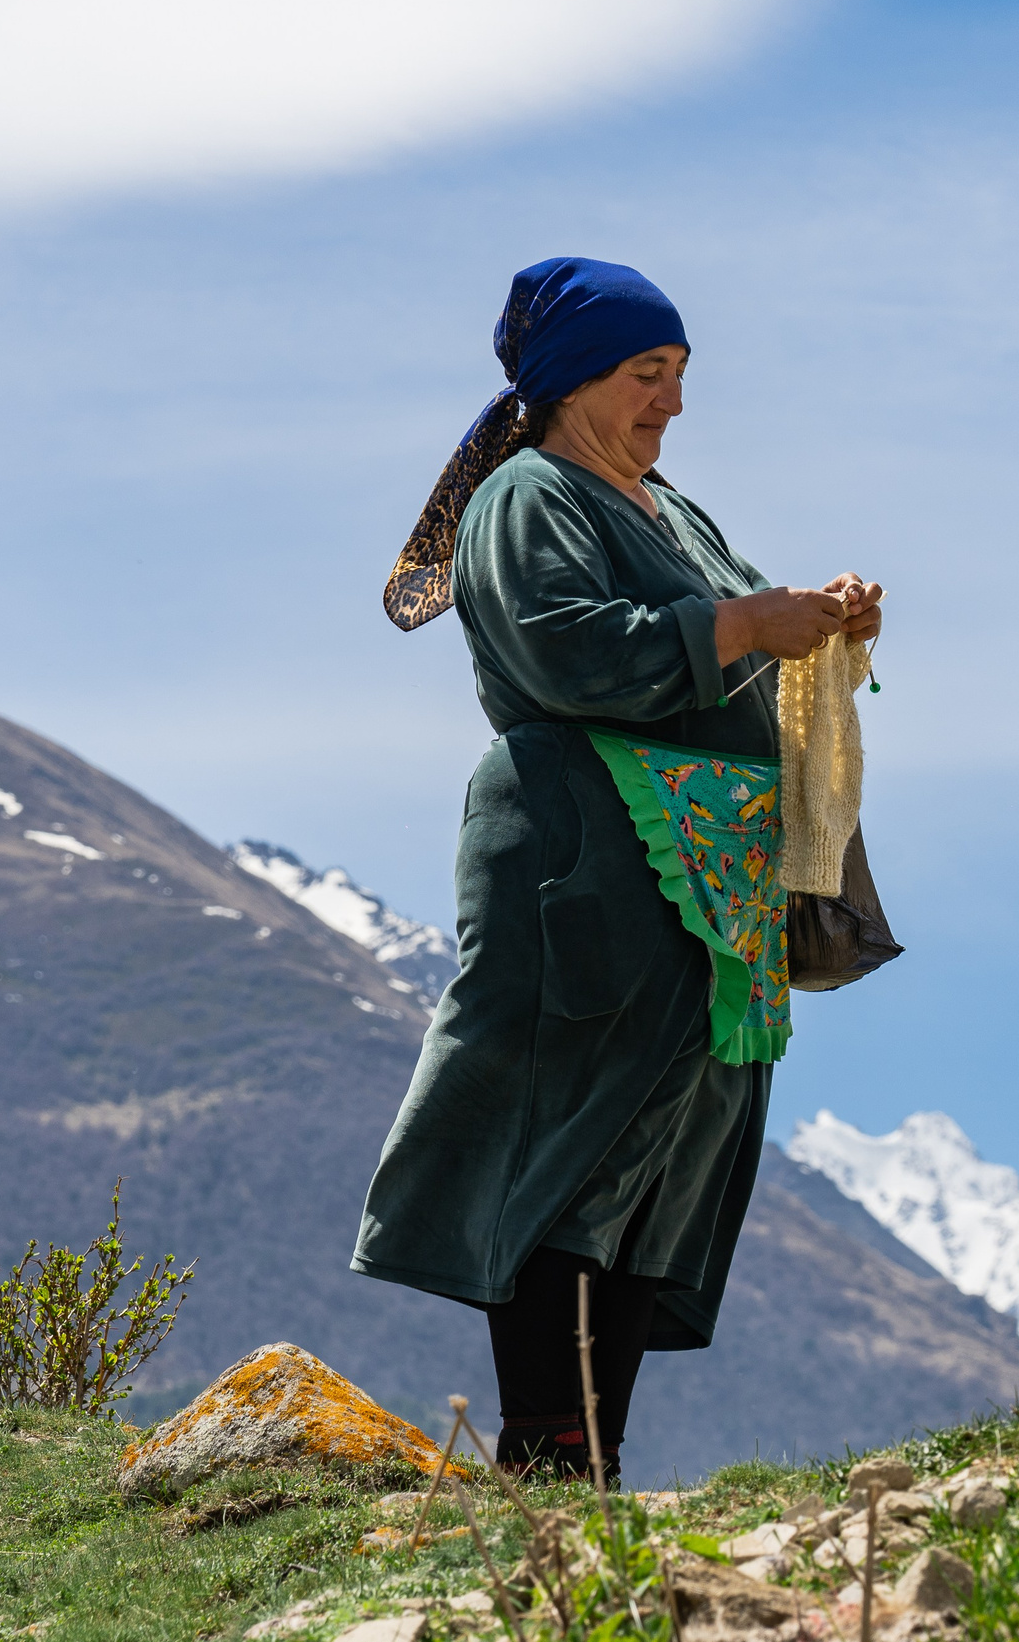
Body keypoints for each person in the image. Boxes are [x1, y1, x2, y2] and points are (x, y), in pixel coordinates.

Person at [360, 258, 884, 1485]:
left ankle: (584, 1467)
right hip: (587, 859)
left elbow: (739, 632)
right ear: (570, 380)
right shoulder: (529, 497)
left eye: (681, 377)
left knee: (664, 1145)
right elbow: (559, 649)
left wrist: (820, 621)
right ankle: (546, 1455)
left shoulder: (669, 511)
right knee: (570, 1128)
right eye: (648, 375)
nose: (672, 403)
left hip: (706, 883)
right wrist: (748, 625)